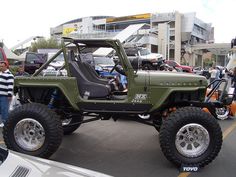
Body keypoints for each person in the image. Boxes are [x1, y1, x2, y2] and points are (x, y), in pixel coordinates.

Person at [0, 61, 14, 127]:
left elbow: (10, 86)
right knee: (1, 109)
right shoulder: (0, 73)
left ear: (6, 66)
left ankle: (5, 122)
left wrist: (9, 95)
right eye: (0, 66)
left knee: (4, 109)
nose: (1, 67)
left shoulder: (9, 75)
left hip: (4, 95)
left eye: (2, 66)